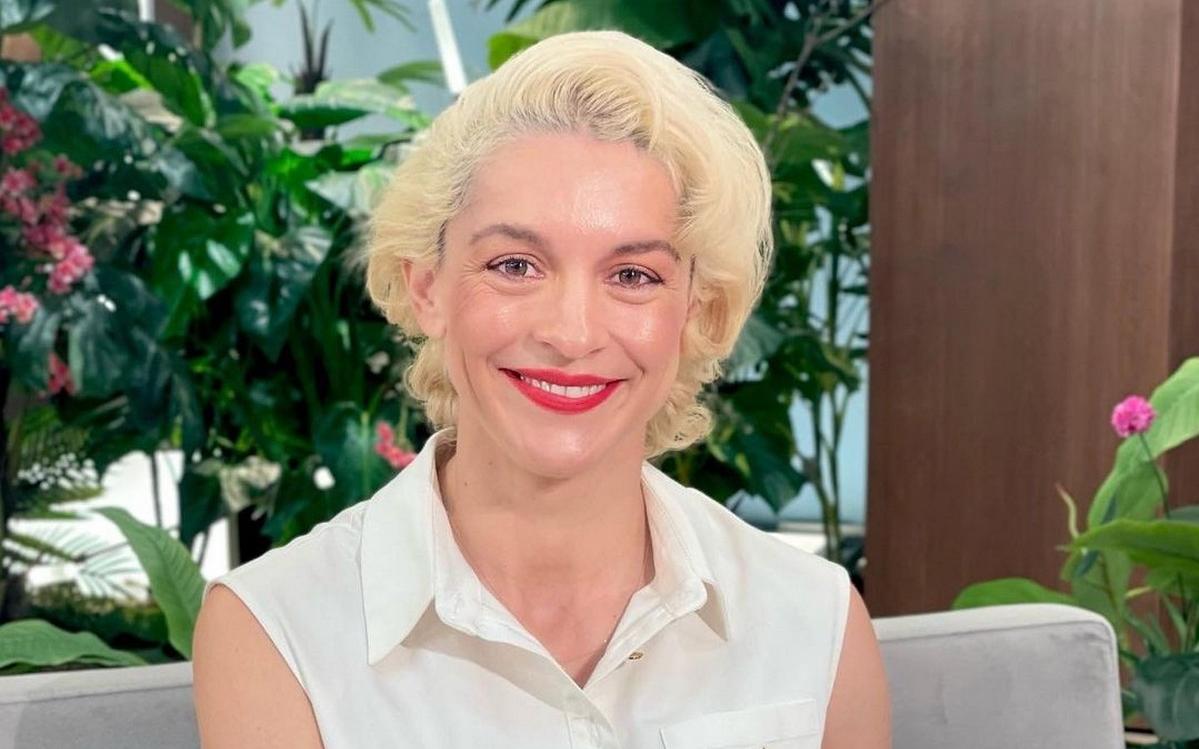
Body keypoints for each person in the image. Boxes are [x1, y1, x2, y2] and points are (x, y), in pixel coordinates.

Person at [192, 29, 890, 748]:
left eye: (633, 275)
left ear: (695, 311)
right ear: (426, 287)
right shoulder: (278, 632)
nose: (571, 333)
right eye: (515, 265)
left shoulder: (816, 623)